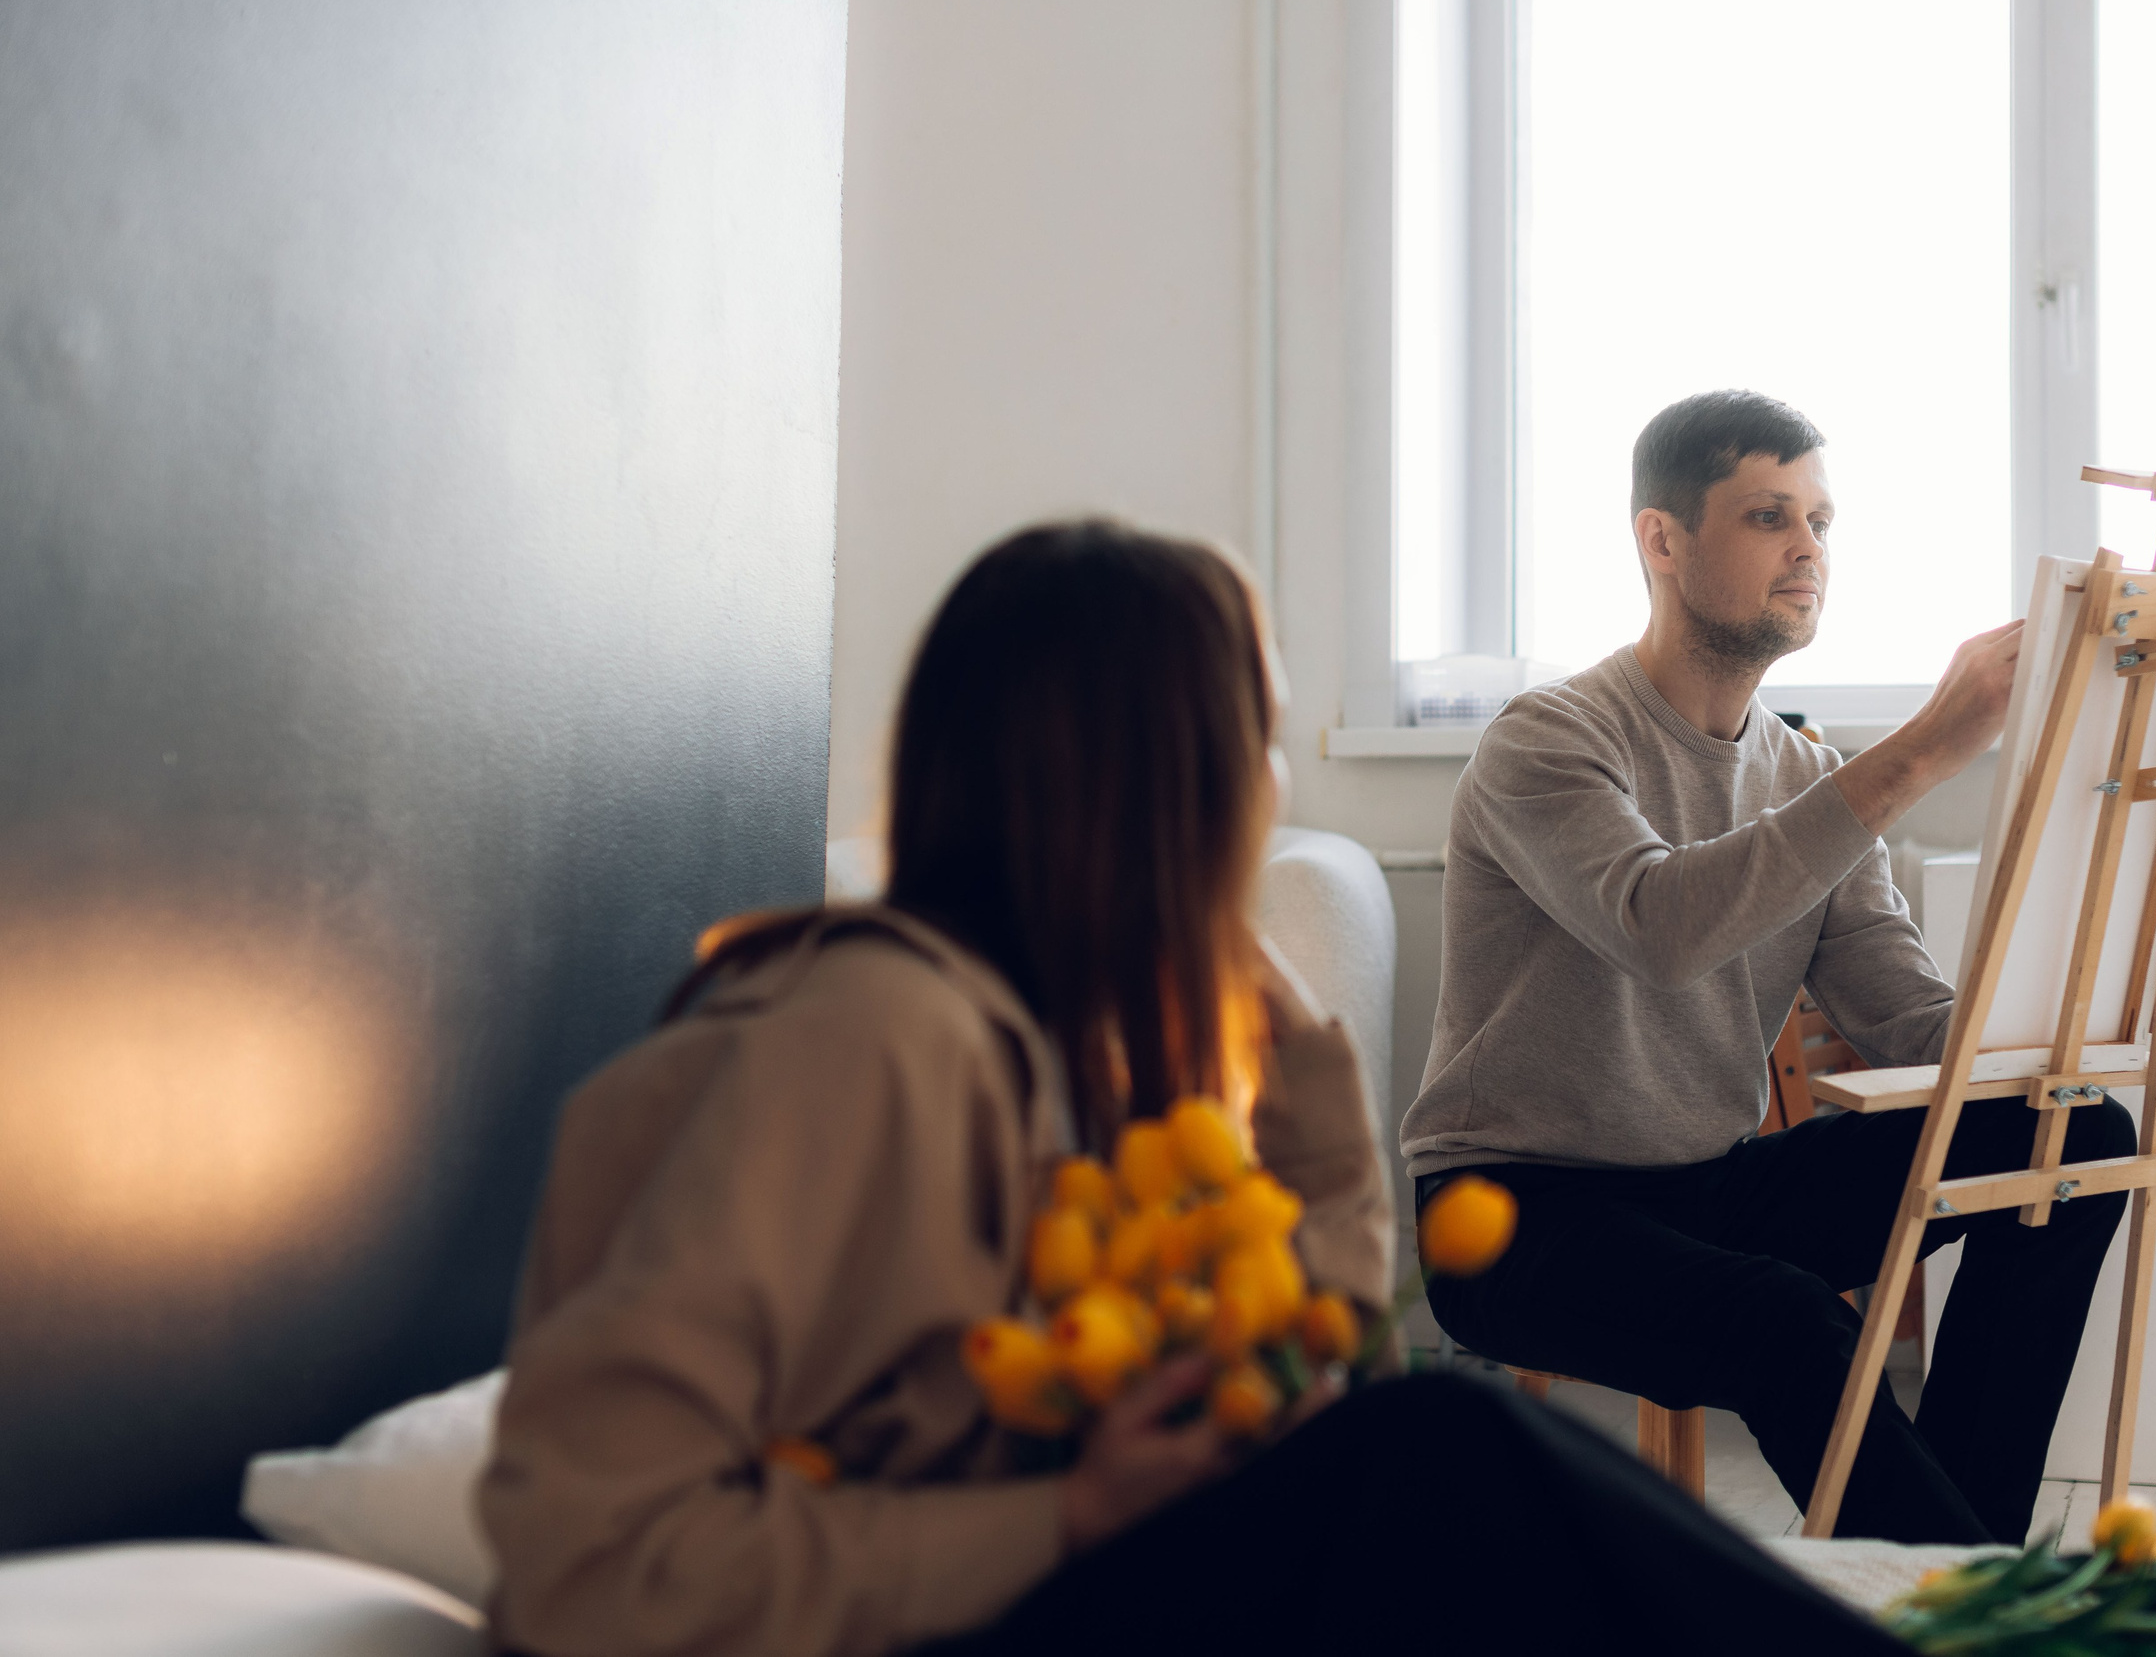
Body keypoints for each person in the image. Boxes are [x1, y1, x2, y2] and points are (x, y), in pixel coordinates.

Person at [479, 518, 1914, 1657]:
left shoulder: (1078, 1048)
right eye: (1257, 735)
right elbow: (587, 1571)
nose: (1273, 782)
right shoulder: (854, 1035)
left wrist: (1300, 1078)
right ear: (1157, 774)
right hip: (931, 1615)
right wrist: (1058, 1517)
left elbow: (1319, 1373)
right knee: (1442, 1439)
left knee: (1424, 1460)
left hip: (1018, 1590)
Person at [1404, 390, 2156, 1547]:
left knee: (2077, 1139)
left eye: (1820, 518)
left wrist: (2124, 1012)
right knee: (1785, 1321)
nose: (1808, 545)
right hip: (1513, 1213)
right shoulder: (1547, 739)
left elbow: (1919, 1027)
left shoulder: (1806, 773)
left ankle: (1947, 1575)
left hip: (1710, 1187)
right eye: (1769, 515)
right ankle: (1958, 1598)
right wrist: (1924, 750)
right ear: (1661, 540)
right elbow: (1664, 929)